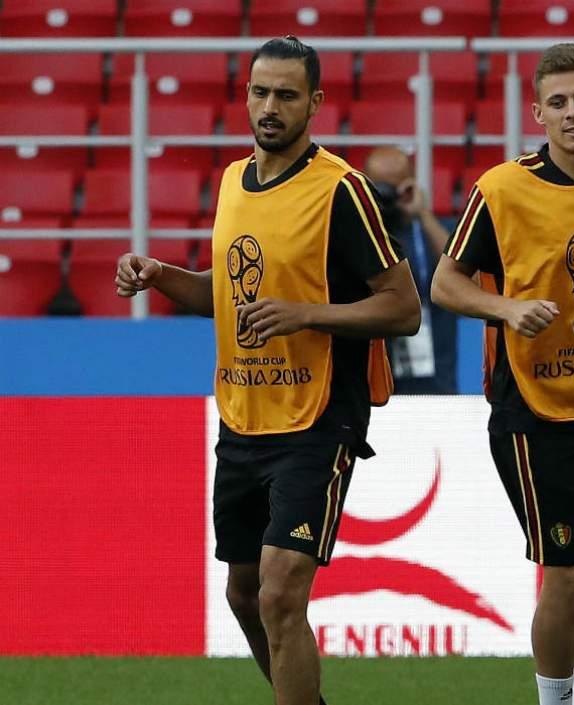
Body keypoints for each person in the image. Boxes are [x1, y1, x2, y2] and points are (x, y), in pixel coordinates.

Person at [114, 36, 421, 705]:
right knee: (244, 593)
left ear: (314, 102)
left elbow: (404, 309)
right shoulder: (231, 182)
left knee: (282, 592)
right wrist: (161, 274)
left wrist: (306, 314)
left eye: (286, 94)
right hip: (242, 416)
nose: (270, 106)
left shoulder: (342, 191)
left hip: (319, 417)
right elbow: (225, 298)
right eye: (260, 91)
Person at [430, 43, 574, 705]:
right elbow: (444, 283)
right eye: (558, 102)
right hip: (530, 402)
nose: (573, 112)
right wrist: (505, 307)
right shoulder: (502, 190)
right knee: (570, 570)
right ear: (537, 114)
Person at [364, 146, 459, 395]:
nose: (387, 197)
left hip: (436, 385)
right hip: (374, 384)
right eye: (379, 189)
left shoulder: (437, 230)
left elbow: (462, 273)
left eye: (394, 188)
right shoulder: (361, 235)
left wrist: (423, 215)